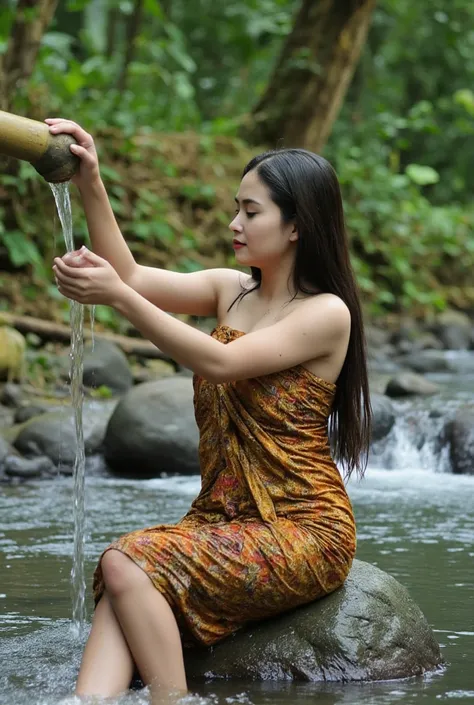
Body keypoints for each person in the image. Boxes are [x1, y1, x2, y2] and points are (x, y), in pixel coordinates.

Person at [47, 118, 371, 700]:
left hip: (303, 528)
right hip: (221, 518)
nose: (234, 224)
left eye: (251, 212)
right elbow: (134, 277)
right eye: (236, 209)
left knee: (128, 561)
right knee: (122, 572)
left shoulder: (327, 314)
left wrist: (118, 299)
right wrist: (90, 178)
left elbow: (222, 362)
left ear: (296, 226)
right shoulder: (232, 290)